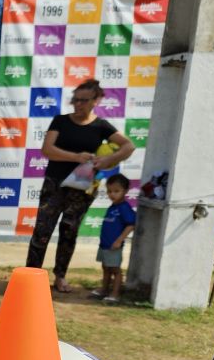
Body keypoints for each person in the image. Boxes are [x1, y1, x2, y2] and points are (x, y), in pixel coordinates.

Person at [25, 79, 134, 293]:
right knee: (42, 230)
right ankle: (30, 276)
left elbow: (129, 146)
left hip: (82, 190)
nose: (78, 105)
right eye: (75, 100)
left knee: (69, 231)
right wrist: (76, 157)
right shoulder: (61, 121)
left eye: (84, 101)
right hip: (54, 184)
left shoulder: (101, 126)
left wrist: (106, 161)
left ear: (96, 100)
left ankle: (60, 276)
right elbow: (47, 150)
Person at [92, 173, 136, 303]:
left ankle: (115, 294)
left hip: (114, 246)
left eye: (116, 191)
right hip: (105, 245)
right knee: (105, 267)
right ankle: (104, 289)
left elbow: (130, 225)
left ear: (126, 191)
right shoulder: (112, 207)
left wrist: (119, 240)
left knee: (115, 270)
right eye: (109, 191)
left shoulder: (124, 208)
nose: (112, 194)